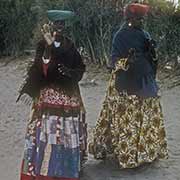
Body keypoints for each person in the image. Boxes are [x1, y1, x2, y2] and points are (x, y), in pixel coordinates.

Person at [89, 3, 168, 169]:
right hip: (125, 84)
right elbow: (113, 62)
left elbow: (152, 58)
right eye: (138, 19)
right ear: (129, 19)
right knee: (127, 121)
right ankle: (128, 156)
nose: (141, 21)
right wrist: (127, 61)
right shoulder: (120, 36)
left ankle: (146, 152)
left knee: (146, 118)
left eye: (142, 19)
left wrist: (152, 52)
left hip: (145, 82)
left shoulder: (144, 34)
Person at [17, 10, 87, 180]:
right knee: (47, 133)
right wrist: (49, 47)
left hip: (70, 94)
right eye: (57, 23)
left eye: (63, 23)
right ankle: (45, 170)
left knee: (69, 132)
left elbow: (80, 67)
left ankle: (66, 170)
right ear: (51, 25)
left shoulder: (70, 45)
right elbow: (40, 67)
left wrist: (71, 72)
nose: (60, 26)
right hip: (49, 95)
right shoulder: (43, 44)